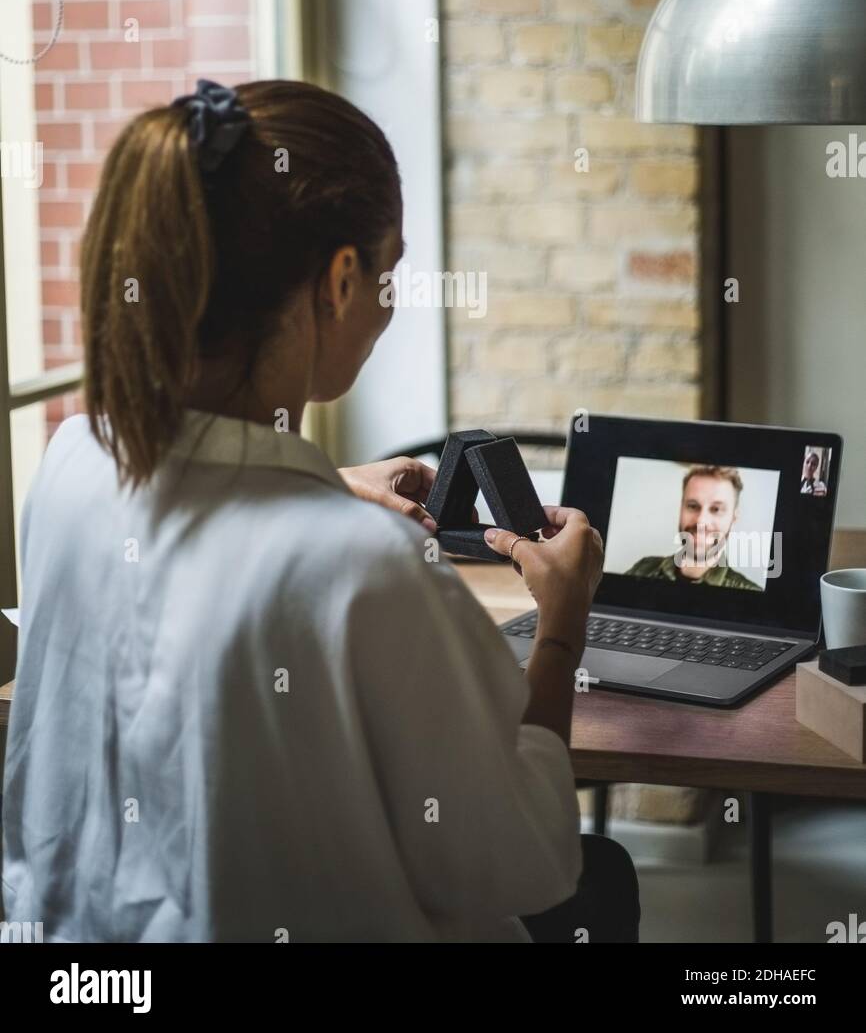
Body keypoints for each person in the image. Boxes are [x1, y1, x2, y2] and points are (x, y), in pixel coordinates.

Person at [2, 79, 638, 944]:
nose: (389, 300)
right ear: (342, 279)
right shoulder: (366, 568)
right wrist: (563, 625)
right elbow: (525, 862)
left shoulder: (74, 463)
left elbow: (199, 527)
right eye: (391, 270)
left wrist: (322, 486)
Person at [626, 465, 759, 590]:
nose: (701, 521)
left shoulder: (751, 593)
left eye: (716, 509)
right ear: (681, 508)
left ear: (733, 518)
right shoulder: (642, 568)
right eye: (693, 506)